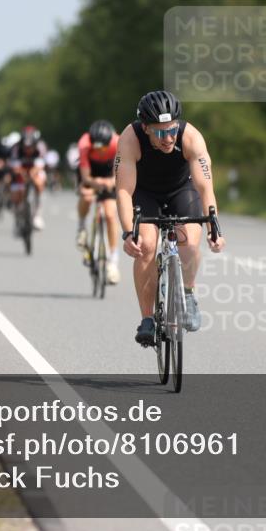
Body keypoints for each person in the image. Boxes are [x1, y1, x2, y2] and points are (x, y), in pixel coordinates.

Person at [115, 90, 225, 346]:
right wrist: (127, 232)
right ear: (146, 128)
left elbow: (205, 188)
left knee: (189, 239)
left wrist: (214, 227)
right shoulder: (130, 139)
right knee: (146, 246)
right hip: (144, 193)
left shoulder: (191, 137)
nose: (169, 138)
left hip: (181, 189)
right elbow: (123, 191)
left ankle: (188, 292)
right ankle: (147, 319)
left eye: (172, 130)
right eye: (161, 132)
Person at [76, 120, 121, 284]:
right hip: (91, 171)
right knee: (86, 196)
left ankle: (113, 261)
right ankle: (81, 226)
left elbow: (121, 171)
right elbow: (86, 177)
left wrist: (111, 182)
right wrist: (96, 184)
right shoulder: (84, 145)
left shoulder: (118, 143)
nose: (101, 150)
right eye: (97, 147)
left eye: (104, 147)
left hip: (111, 171)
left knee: (110, 214)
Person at [7, 125, 47, 230]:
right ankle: (17, 215)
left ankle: (37, 214)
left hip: (35, 170)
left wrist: (33, 174)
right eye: (26, 147)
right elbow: (14, 166)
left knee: (39, 183)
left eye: (31, 147)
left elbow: (41, 165)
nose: (28, 149)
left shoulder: (40, 147)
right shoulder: (16, 148)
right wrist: (22, 173)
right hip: (20, 171)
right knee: (16, 195)